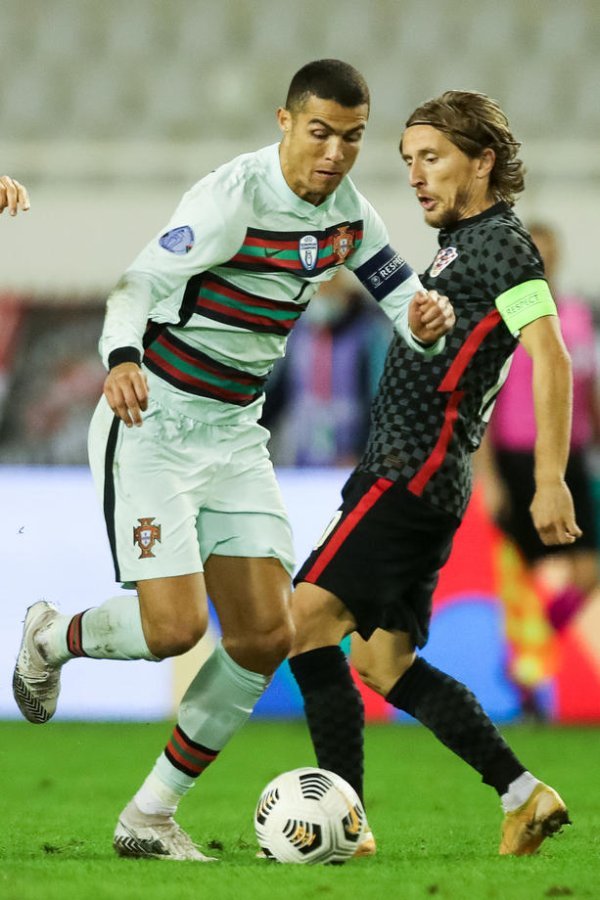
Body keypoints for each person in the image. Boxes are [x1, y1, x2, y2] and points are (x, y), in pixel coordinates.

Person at [12, 60, 454, 862]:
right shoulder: (231, 200)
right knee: (174, 629)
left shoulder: (350, 216)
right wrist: (121, 358)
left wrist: (427, 320)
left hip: (236, 436)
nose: (335, 153)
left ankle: (149, 816)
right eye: (319, 132)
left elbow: (405, 301)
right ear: (285, 122)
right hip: (152, 422)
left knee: (263, 635)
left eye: (352, 138)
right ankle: (52, 636)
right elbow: (137, 283)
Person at [287, 90, 576, 858]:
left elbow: (550, 355)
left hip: (408, 474)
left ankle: (341, 826)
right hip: (422, 479)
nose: (416, 175)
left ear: (482, 163)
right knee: (382, 663)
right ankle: (523, 794)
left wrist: (550, 477)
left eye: (433, 158)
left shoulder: (502, 246)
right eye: (408, 160)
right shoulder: (461, 243)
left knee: (303, 622)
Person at [481, 222, 600, 712]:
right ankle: (526, 676)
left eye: (550, 253)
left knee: (588, 569)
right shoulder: (504, 317)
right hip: (517, 457)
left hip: (571, 454)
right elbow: (484, 401)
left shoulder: (577, 315)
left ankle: (533, 650)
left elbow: (586, 387)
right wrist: (488, 474)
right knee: (522, 576)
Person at [261, 270, 392, 466]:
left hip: (351, 458)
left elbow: (378, 399)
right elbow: (279, 394)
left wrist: (361, 451)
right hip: (303, 457)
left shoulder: (369, 332)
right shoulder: (300, 333)